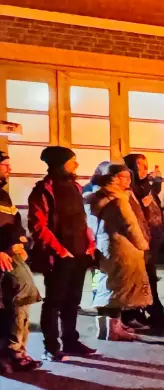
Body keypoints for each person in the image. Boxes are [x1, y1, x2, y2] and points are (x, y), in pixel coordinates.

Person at [28, 146, 97, 358]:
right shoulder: (43, 190)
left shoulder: (75, 187)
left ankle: (71, 341)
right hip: (59, 255)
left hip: (79, 253)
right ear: (60, 164)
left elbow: (82, 220)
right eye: (72, 161)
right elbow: (38, 226)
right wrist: (60, 250)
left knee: (73, 300)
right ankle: (51, 347)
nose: (76, 165)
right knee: (54, 302)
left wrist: (89, 244)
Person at [85, 163, 152, 341]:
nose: (127, 181)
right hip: (122, 247)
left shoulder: (95, 196)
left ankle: (105, 327)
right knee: (117, 288)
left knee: (105, 285)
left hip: (103, 245)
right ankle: (113, 329)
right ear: (113, 178)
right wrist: (142, 244)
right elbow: (129, 224)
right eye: (123, 177)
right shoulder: (118, 198)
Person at [0, 152, 43, 372]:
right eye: (5, 165)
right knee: (18, 295)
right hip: (2, 256)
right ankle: (12, 352)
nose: (9, 170)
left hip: (12, 253)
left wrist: (19, 241)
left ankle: (16, 351)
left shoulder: (4, 196)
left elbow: (15, 223)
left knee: (22, 297)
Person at [123, 152, 164, 333]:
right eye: (140, 166)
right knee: (142, 280)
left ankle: (146, 314)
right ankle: (143, 315)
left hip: (151, 240)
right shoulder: (129, 190)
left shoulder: (146, 186)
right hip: (138, 242)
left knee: (148, 280)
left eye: (146, 165)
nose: (145, 169)